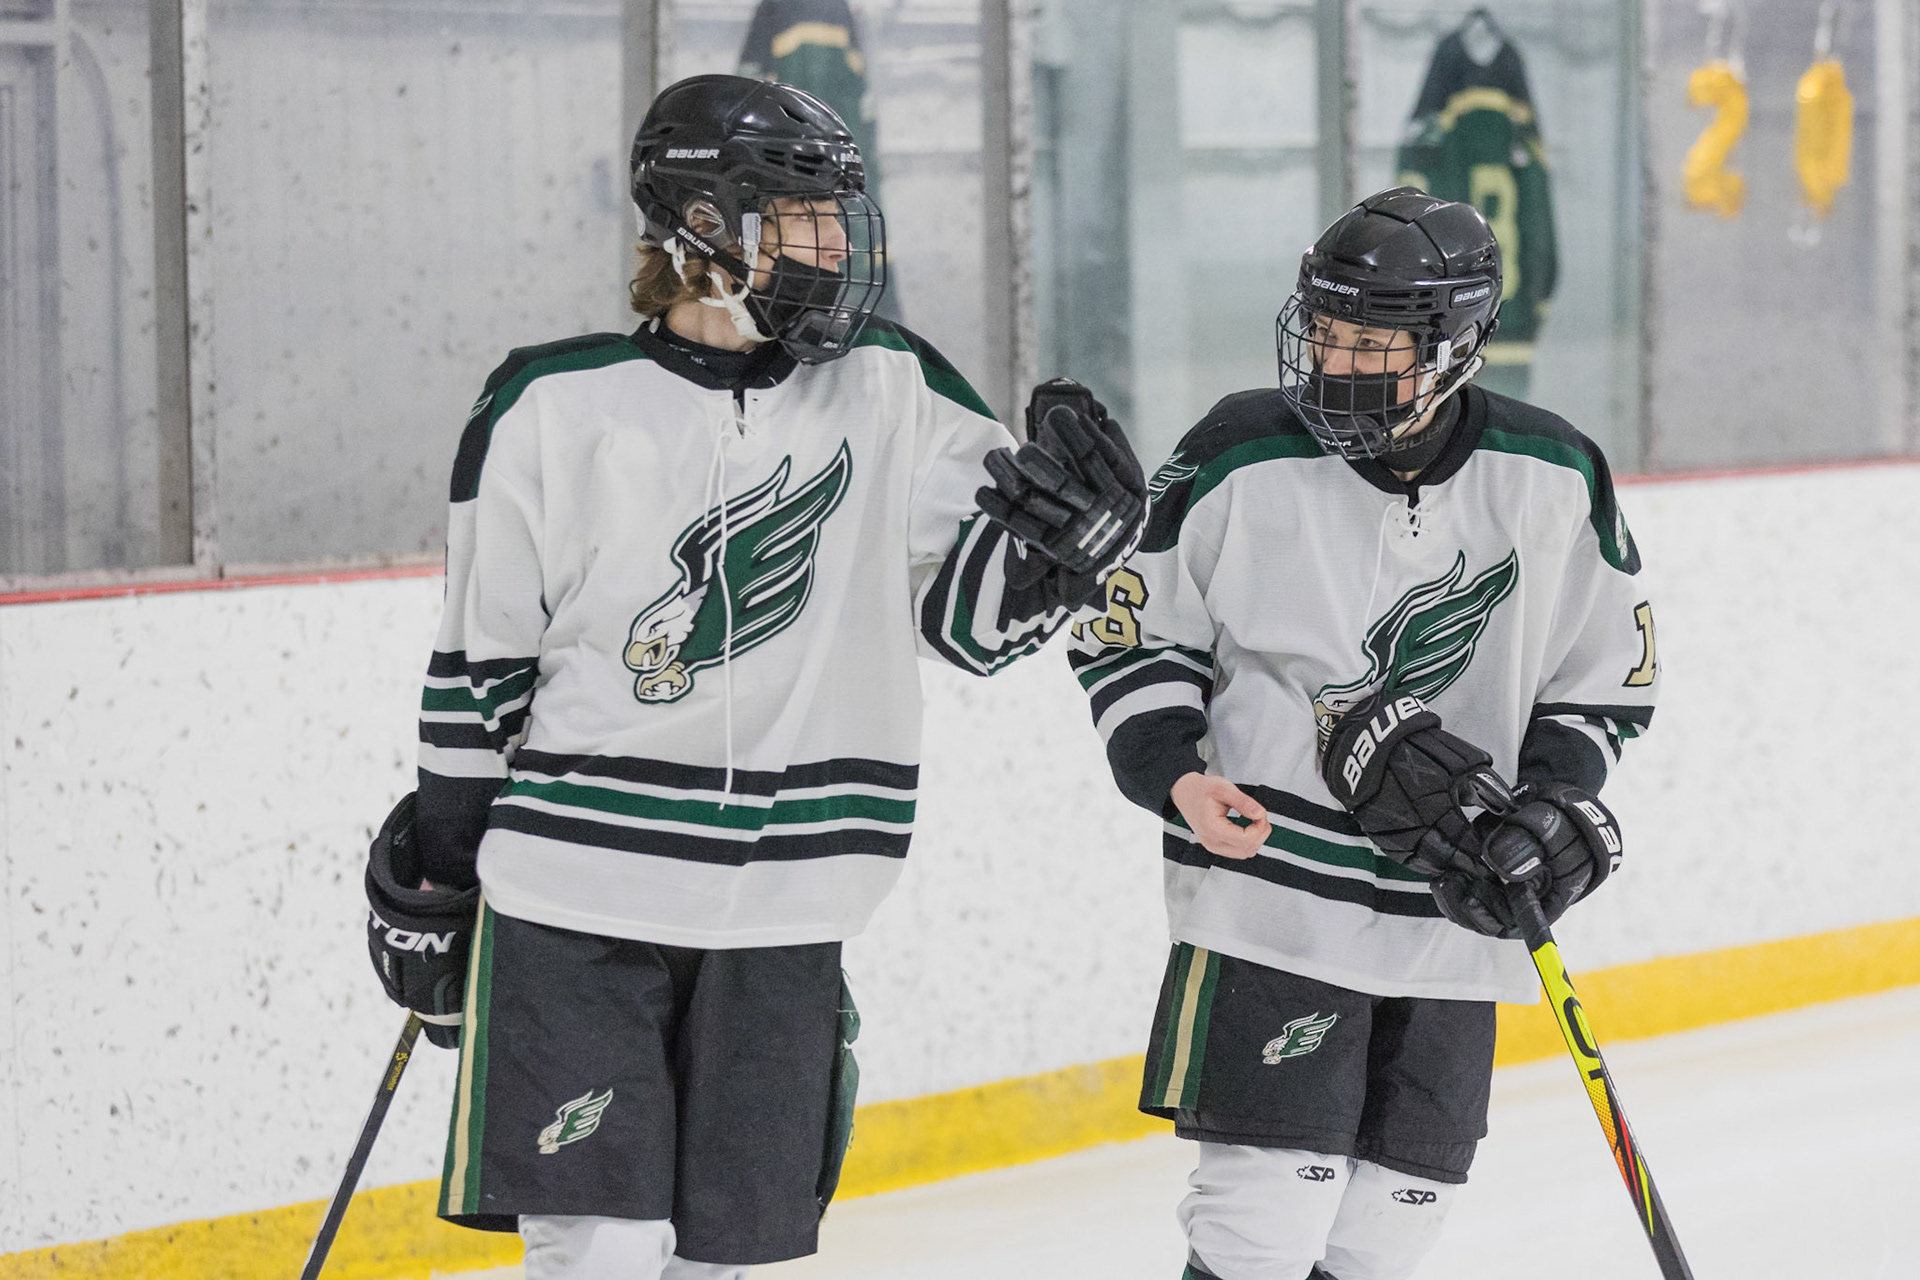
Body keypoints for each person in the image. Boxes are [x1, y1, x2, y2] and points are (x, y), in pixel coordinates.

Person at [364, 74, 1146, 1280]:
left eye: (838, 217)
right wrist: (447, 870)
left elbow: (972, 627)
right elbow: (479, 667)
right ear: (702, 226)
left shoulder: (892, 386)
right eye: (802, 218)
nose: (835, 248)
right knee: (602, 1249)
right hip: (576, 897)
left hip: (791, 907)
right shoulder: (550, 403)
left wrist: (1066, 559)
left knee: (720, 1262)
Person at [1069, 187, 1658, 1280]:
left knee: (1389, 1233)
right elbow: (1133, 630)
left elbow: (1605, 676)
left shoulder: (1553, 473)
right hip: (1272, 899)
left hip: (1455, 913)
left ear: (1457, 344)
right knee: (1260, 1226)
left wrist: (1554, 800)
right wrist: (1173, 776)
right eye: (1325, 330)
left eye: (1372, 344)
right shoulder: (1240, 450)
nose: (1335, 363)